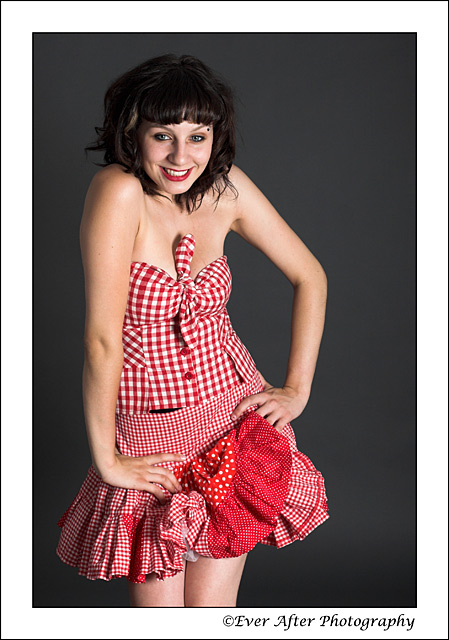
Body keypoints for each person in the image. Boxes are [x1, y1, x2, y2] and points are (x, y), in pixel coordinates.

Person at [56, 53, 330, 608]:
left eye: (197, 137)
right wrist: (106, 457)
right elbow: (102, 340)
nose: (181, 157)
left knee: (212, 613)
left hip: (232, 420)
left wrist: (297, 389)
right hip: (153, 433)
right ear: (132, 133)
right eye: (163, 136)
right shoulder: (119, 191)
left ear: (214, 138)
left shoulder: (226, 190)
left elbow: (311, 276)